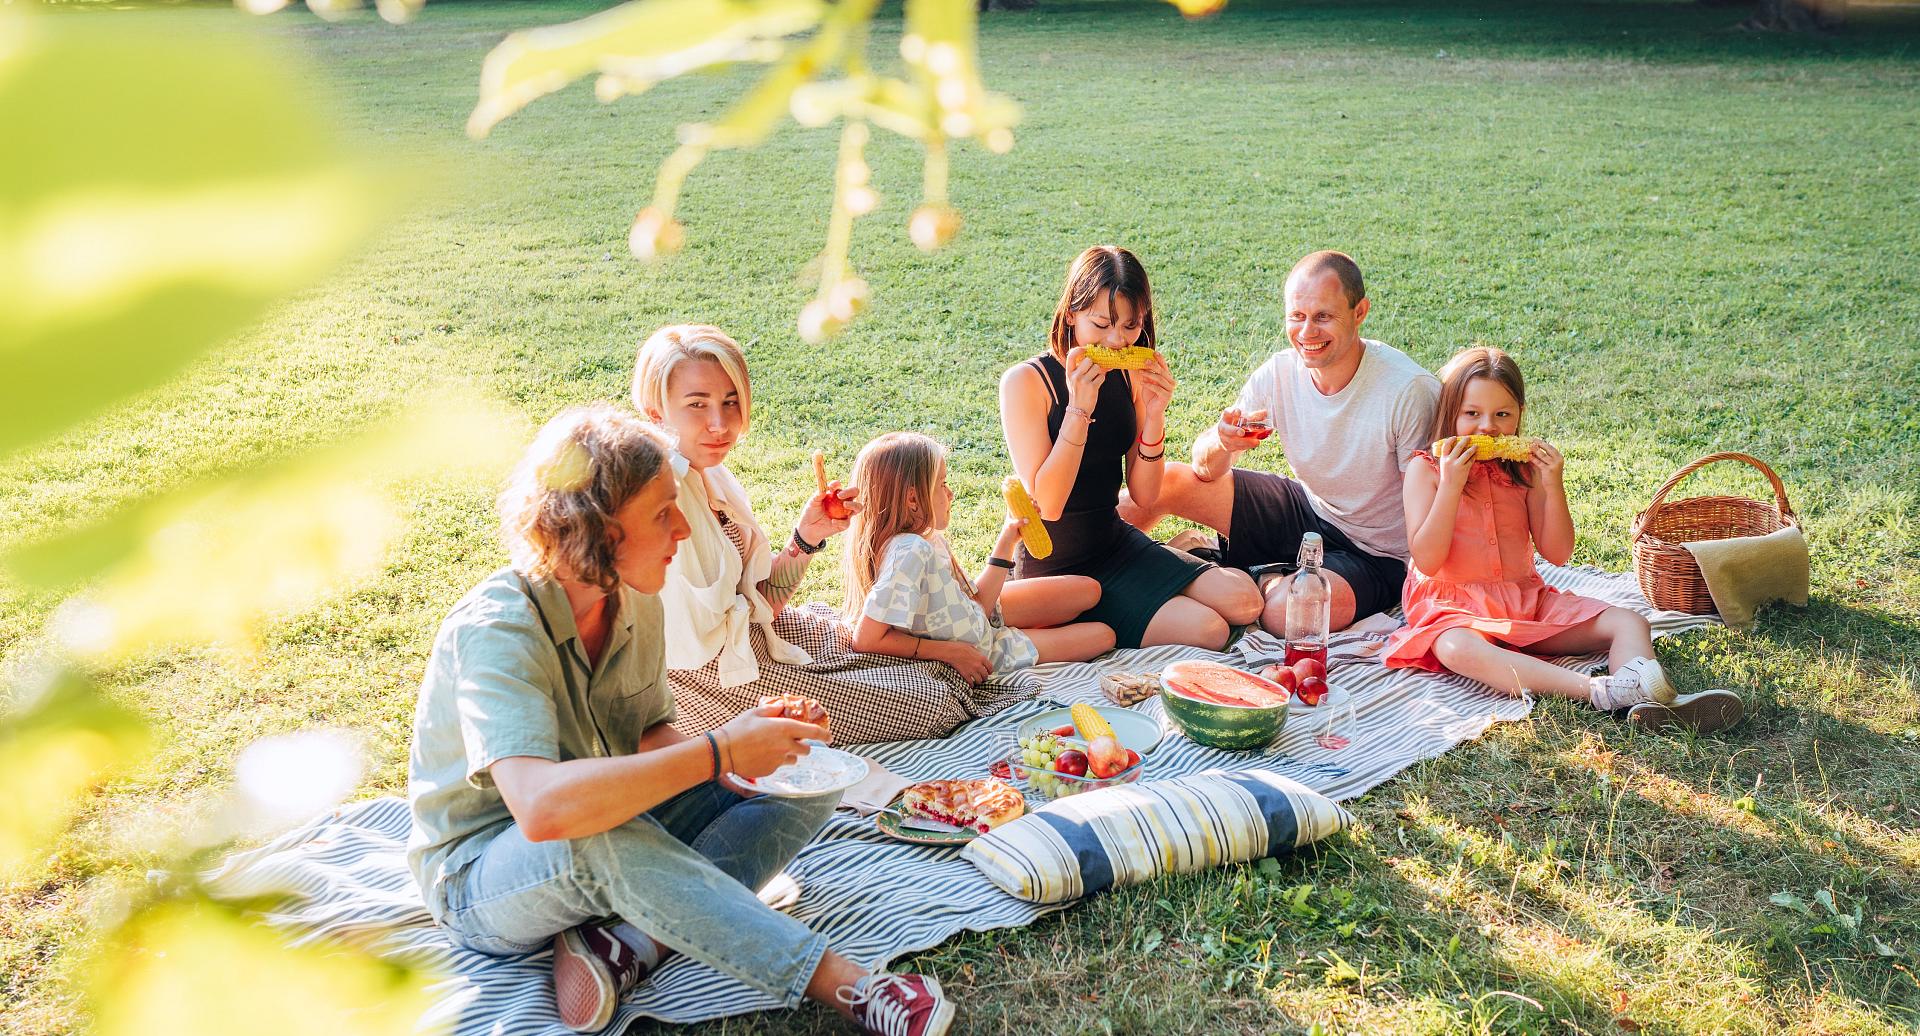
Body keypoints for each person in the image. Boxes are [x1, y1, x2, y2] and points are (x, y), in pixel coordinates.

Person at [406, 404, 955, 1036]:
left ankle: (631, 944)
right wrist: (718, 754)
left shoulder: (634, 601)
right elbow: (544, 812)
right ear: (599, 531)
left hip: (609, 816)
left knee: (814, 773)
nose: (683, 531)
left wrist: (754, 753)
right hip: (482, 876)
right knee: (595, 836)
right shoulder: (498, 629)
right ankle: (852, 988)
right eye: (663, 513)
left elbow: (649, 735)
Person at [634, 324, 1027, 744]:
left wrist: (806, 538)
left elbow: (763, 600)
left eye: (731, 402)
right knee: (933, 697)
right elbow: (691, 644)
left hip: (756, 640)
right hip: (718, 682)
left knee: (903, 658)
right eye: (697, 404)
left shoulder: (711, 474)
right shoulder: (658, 497)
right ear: (657, 410)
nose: (719, 423)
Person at [1382, 347, 1745, 731]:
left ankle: (1641, 698)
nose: (1487, 427)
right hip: (1453, 609)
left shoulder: (1525, 471)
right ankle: (1599, 690)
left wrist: (1552, 484)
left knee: (1628, 621)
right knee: (1455, 648)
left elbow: (1557, 553)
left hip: (1524, 602)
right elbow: (1427, 560)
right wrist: (1451, 487)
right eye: (1472, 414)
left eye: (1502, 414)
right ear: (1449, 412)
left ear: (1520, 413)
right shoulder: (1427, 470)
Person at [1119, 250, 1440, 634]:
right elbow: (1205, 469)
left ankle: (1237, 574)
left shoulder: (1407, 391)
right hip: (1308, 510)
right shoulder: (1281, 372)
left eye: (1323, 316)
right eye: (1297, 316)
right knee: (1168, 482)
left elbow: (1432, 509)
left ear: (1360, 312)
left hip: (1376, 554)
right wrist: (1224, 442)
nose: (1307, 333)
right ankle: (1083, 562)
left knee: (1288, 612)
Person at [999, 246, 1262, 650]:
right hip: (1057, 570)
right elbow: (1048, 504)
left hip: (1114, 541)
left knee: (1244, 601)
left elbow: (1144, 494)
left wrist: (1154, 415)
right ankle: (1139, 600)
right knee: (1209, 631)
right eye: (1101, 324)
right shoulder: (1026, 383)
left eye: (1130, 326)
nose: (1117, 341)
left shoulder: (1128, 376)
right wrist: (1079, 409)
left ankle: (1167, 571)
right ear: (1071, 313)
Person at [842, 431, 1116, 679]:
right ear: (913, 499)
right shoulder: (909, 552)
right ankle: (1040, 629)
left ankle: (1043, 623)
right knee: (1104, 636)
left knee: (1088, 590)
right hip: (989, 648)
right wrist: (949, 653)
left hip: (978, 618)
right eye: (942, 484)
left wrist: (1009, 535)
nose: (950, 493)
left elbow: (977, 605)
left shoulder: (927, 540)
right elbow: (865, 640)